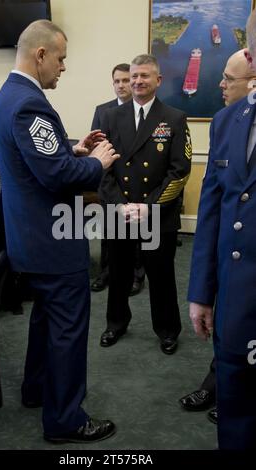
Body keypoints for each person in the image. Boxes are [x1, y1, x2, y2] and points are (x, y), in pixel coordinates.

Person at [0, 20, 119, 443]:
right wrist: (97, 161)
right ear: (41, 55)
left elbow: (40, 161)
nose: (63, 67)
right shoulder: (30, 103)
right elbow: (58, 176)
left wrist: (73, 149)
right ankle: (66, 421)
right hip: (52, 243)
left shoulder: (6, 97)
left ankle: (36, 389)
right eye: (60, 58)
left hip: (29, 241)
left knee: (46, 320)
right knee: (66, 329)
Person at [188, 10, 256, 449]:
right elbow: (212, 211)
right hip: (234, 306)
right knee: (235, 421)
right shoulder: (228, 120)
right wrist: (201, 292)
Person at [99, 54, 191, 351]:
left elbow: (180, 172)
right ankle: (116, 323)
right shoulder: (112, 117)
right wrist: (119, 204)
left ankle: (167, 330)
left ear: (158, 81)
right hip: (120, 211)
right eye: (133, 76)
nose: (137, 81)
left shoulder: (174, 118)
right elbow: (103, 168)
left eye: (144, 76)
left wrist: (148, 206)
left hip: (157, 213)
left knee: (161, 275)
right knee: (119, 273)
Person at [91, 63, 145, 296]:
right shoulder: (102, 111)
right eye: (117, 81)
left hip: (135, 183)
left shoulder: (143, 109)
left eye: (125, 80)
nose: (122, 85)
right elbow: (95, 146)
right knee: (109, 232)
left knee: (136, 233)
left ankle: (136, 275)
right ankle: (106, 273)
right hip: (110, 181)